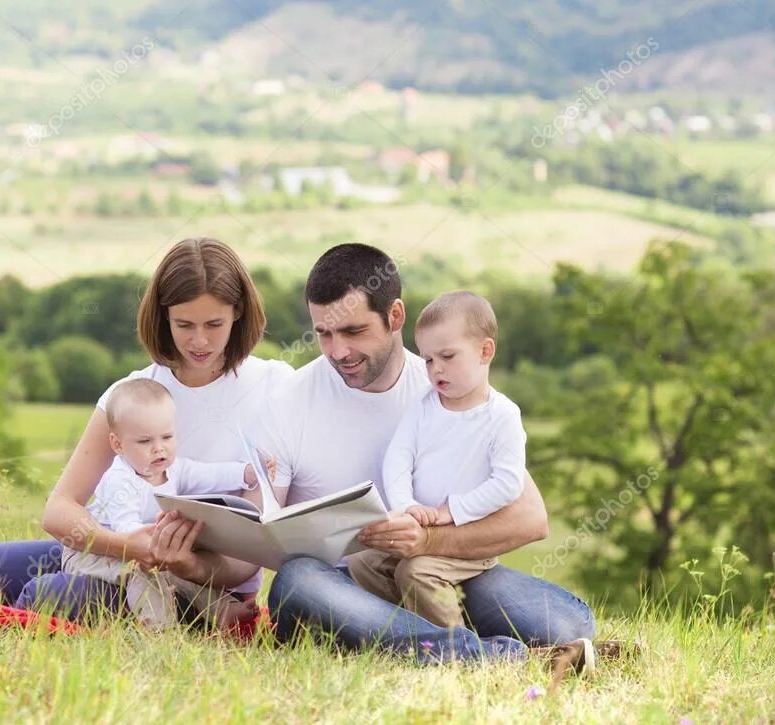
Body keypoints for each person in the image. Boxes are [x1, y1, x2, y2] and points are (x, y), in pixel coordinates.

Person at [245, 243, 597, 669]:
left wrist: (428, 540)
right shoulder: (289, 401)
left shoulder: (448, 390)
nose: (338, 351)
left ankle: (423, 645)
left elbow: (530, 518)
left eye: (353, 331)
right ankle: (476, 655)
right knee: (297, 583)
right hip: (343, 585)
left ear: (395, 317)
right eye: (324, 333)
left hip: (437, 567)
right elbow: (265, 535)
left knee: (566, 625)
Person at [0, 237, 292, 622]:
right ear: (163, 318)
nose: (199, 340)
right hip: (116, 554)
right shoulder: (133, 393)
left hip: (199, 585)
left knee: (43, 596)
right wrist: (124, 545)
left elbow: (249, 559)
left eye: (213, 324)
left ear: (238, 314)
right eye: (183, 324)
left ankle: (195, 617)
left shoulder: (275, 388)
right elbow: (60, 509)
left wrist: (187, 565)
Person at [348, 290, 526, 628]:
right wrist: (406, 507)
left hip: (467, 535)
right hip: (418, 525)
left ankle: (457, 648)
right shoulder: (424, 404)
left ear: (484, 351)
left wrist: (450, 511)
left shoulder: (502, 416)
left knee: (417, 571)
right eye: (428, 359)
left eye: (447, 356)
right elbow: (398, 457)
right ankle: (409, 630)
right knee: (362, 562)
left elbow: (507, 485)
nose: (436, 369)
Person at [60, 378, 264, 630]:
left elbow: (208, 475)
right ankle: (159, 629)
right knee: (142, 571)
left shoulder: (173, 469)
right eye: (145, 442)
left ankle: (222, 610)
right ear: (117, 444)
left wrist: (245, 473)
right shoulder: (119, 479)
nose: (159, 449)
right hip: (92, 553)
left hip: (143, 547)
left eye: (166, 437)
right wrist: (156, 547)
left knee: (176, 569)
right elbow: (127, 530)